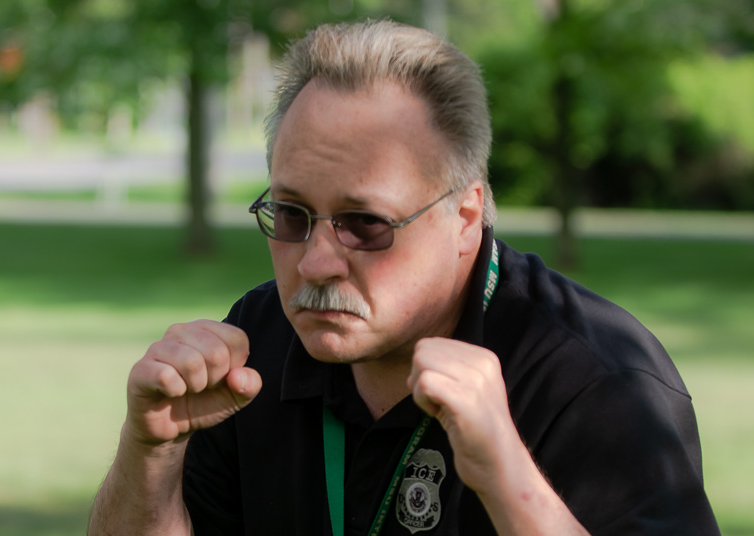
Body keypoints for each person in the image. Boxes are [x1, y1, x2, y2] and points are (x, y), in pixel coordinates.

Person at [88, 19, 720, 536]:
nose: (314, 263)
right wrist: (150, 451)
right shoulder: (257, 344)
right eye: (290, 214)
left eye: (365, 223)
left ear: (466, 215)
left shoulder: (595, 381)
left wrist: (505, 475)